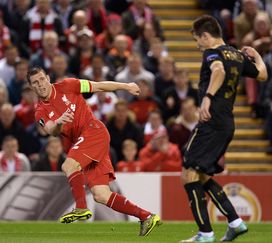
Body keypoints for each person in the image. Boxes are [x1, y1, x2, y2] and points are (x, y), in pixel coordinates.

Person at [28, 66, 161, 236]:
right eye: (35, 83)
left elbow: (99, 86)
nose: (40, 85)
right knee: (101, 195)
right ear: (32, 87)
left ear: (47, 77)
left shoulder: (69, 85)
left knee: (68, 166)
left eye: (41, 79)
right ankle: (146, 216)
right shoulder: (40, 110)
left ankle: (81, 208)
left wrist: (126, 86)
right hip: (85, 143)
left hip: (93, 130)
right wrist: (59, 122)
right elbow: (51, 130)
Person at [180, 15, 267, 242]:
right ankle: (235, 223)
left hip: (211, 121)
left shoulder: (212, 53)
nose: (197, 44)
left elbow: (217, 70)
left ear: (206, 36)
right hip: (227, 123)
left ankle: (205, 234)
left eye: (198, 39)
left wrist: (207, 97)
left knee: (188, 173)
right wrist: (257, 56)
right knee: (202, 174)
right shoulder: (236, 54)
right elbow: (262, 74)